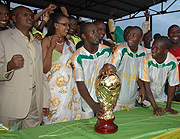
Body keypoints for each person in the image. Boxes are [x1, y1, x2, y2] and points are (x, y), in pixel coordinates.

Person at [0, 6, 49, 129]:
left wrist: (44, 101)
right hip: (12, 103)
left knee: (31, 135)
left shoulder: (38, 43)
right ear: (14, 18)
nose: (30, 18)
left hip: (34, 102)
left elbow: (41, 74)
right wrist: (9, 66)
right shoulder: (2, 37)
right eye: (24, 15)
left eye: (31, 16)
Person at [42, 12, 82, 124]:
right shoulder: (46, 41)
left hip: (70, 90)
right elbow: (44, 69)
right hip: (53, 91)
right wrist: (51, 49)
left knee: (69, 121)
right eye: (64, 24)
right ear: (55, 25)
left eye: (68, 25)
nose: (68, 28)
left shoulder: (71, 43)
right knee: (52, 121)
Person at [71, 23, 113, 119]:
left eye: (97, 32)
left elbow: (112, 73)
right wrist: (93, 105)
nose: (97, 34)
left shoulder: (106, 51)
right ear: (84, 36)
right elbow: (80, 83)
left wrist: (111, 68)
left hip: (104, 98)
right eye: (93, 32)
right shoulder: (77, 56)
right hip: (86, 101)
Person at [102, 26, 147, 111]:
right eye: (129, 34)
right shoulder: (120, 49)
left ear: (140, 38)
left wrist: (142, 87)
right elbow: (114, 66)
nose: (130, 37)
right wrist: (110, 67)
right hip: (118, 96)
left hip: (132, 94)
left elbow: (139, 73)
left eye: (134, 35)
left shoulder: (143, 52)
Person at [139, 36, 179, 116]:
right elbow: (146, 86)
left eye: (157, 48)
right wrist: (155, 107)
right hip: (146, 98)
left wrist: (168, 106)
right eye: (152, 46)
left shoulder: (172, 61)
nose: (153, 50)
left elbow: (172, 85)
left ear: (165, 51)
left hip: (161, 96)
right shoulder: (146, 60)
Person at [168, 24, 180, 101]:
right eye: (172, 32)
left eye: (178, 32)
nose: (175, 35)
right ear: (168, 35)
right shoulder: (164, 49)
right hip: (168, 85)